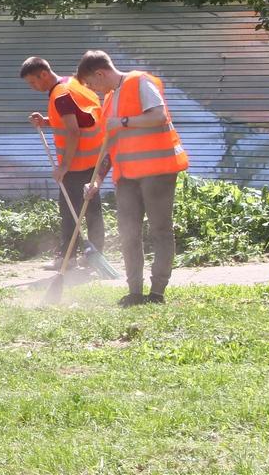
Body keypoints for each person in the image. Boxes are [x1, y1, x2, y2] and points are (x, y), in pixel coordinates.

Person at [78, 50, 189, 307]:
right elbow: (110, 144)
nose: (93, 89)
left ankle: (157, 292)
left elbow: (159, 115)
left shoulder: (140, 82)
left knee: (160, 230)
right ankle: (135, 292)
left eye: (92, 84)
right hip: (126, 176)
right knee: (129, 233)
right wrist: (96, 180)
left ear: (100, 73)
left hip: (157, 171)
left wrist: (123, 121)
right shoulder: (109, 100)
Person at [19, 57, 106, 270]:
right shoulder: (73, 84)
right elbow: (80, 120)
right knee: (92, 210)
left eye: (33, 82)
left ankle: (66, 259)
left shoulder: (60, 95)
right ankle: (95, 258)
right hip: (94, 159)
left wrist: (64, 166)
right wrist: (47, 121)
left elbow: (73, 131)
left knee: (69, 212)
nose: (32, 87)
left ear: (44, 75)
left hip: (76, 163)